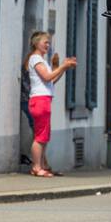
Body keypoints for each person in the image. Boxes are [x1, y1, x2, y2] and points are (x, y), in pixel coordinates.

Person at [24, 31, 77, 178]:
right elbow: (47, 77)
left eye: (48, 42)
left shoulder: (41, 60)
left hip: (44, 99)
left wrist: (62, 68)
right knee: (40, 136)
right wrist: (62, 66)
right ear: (36, 43)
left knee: (43, 136)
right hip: (40, 100)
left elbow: (51, 81)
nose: (48, 45)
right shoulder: (35, 58)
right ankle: (36, 167)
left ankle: (41, 166)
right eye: (45, 42)